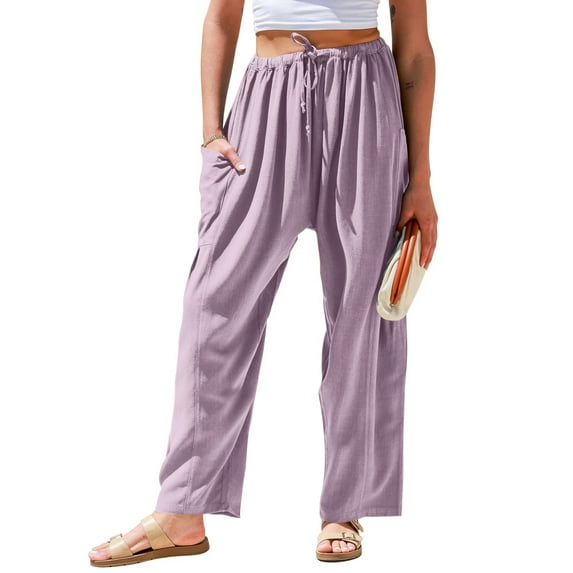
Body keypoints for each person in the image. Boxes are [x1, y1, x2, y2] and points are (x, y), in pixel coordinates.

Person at [88, 0, 437, 566]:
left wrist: (420, 178)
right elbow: (221, 17)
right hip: (266, 100)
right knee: (214, 303)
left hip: (366, 98)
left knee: (360, 315)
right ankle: (183, 508)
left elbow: (414, 48)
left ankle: (346, 506)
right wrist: (211, 130)